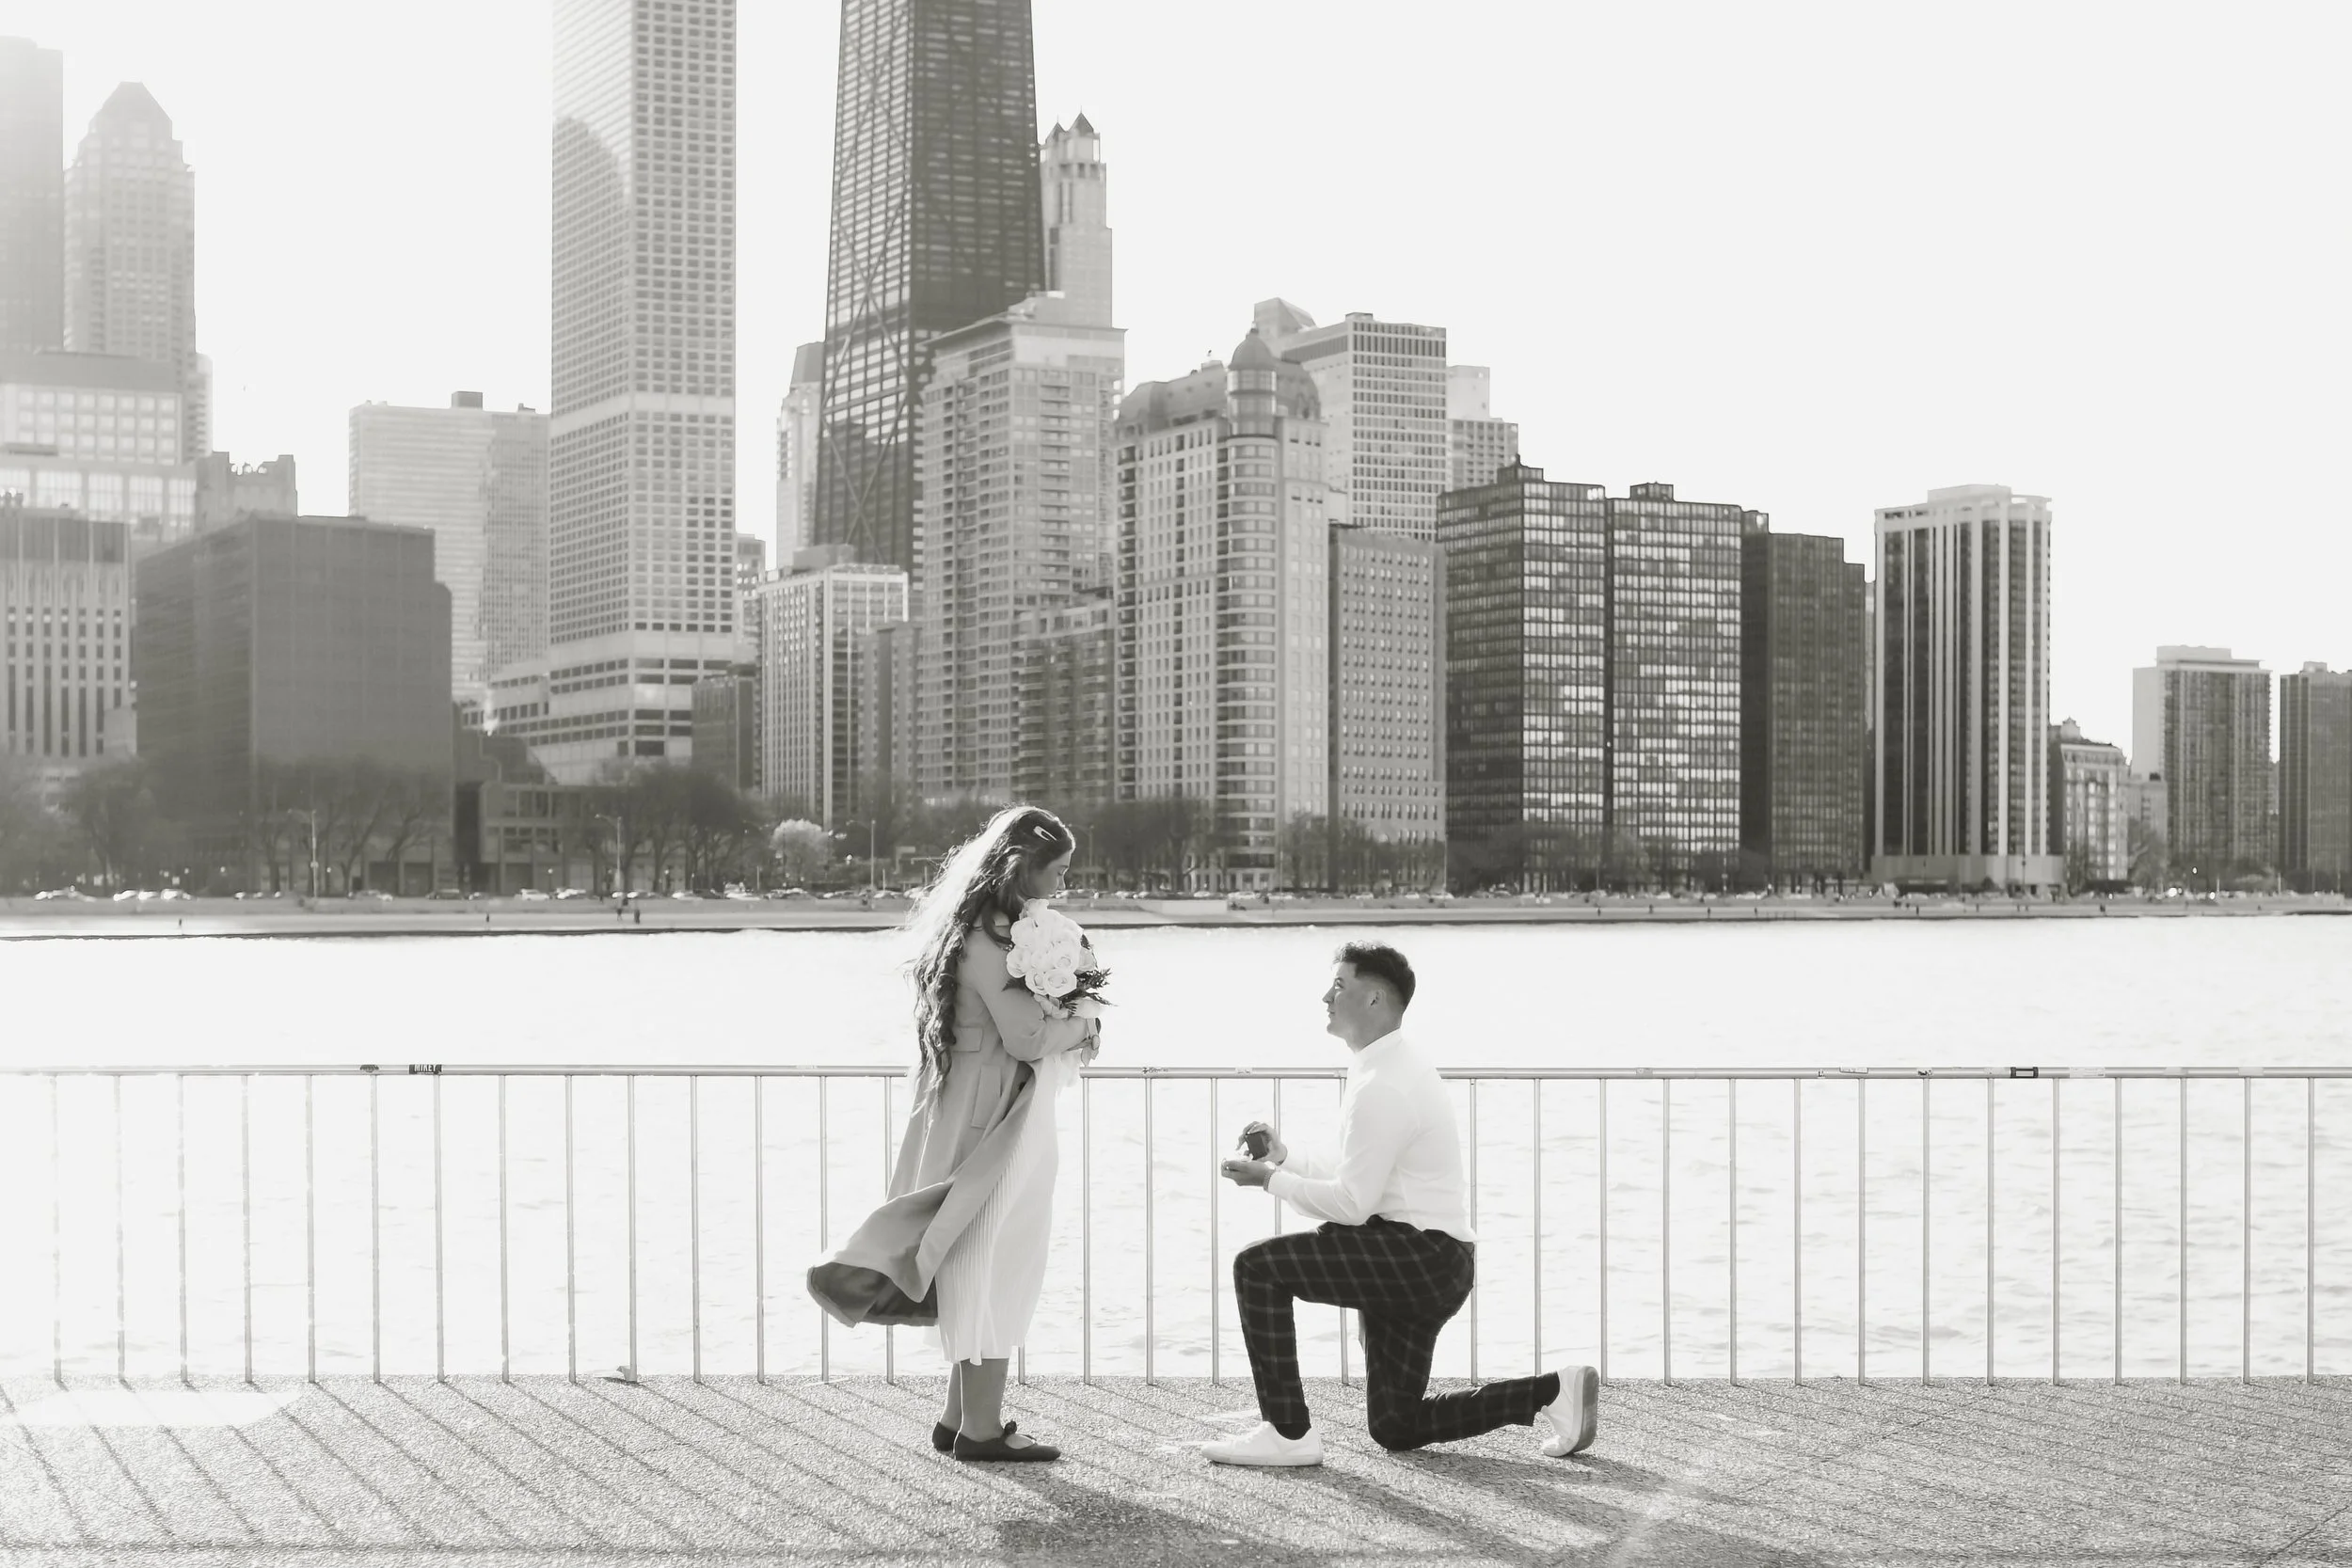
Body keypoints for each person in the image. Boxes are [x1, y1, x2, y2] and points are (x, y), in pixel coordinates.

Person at [1211, 941, 1597, 1466]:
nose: (1326, 996)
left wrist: (1269, 1180)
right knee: (1395, 1425)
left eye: (1339, 985)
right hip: (1428, 1261)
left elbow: (1349, 1203)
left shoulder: (1383, 1084)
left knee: (1256, 1269)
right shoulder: (1388, 1065)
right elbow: (1363, 1175)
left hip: (1414, 1256)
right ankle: (1553, 1392)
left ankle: (1288, 1432)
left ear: (1374, 1000)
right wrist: (1288, 1158)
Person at [806, 805, 1098, 1463]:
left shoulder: (980, 932)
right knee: (999, 1263)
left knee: (978, 1259)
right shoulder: (993, 943)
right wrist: (1085, 1021)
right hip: (996, 1118)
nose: (1065, 881)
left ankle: (960, 1416)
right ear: (1025, 867)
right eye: (1059, 869)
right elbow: (1025, 1036)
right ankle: (982, 1429)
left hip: (973, 1104)